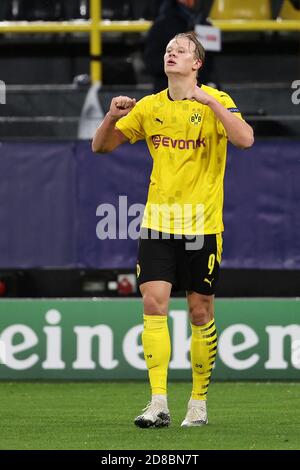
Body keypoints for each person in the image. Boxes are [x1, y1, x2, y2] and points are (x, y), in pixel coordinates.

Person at [92, 31, 254, 427]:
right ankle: (158, 402)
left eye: (180, 51)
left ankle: (197, 403)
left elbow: (245, 140)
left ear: (196, 63)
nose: (171, 54)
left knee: (199, 311)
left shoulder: (219, 101)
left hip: (203, 225)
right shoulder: (149, 107)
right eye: (168, 50)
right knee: (153, 304)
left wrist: (211, 102)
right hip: (158, 223)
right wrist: (112, 115)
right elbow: (101, 146)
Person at [144, 0, 215, 93]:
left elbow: (211, 65)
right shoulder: (162, 25)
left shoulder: (205, 24)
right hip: (168, 92)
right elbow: (152, 64)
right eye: (169, 51)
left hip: (200, 92)